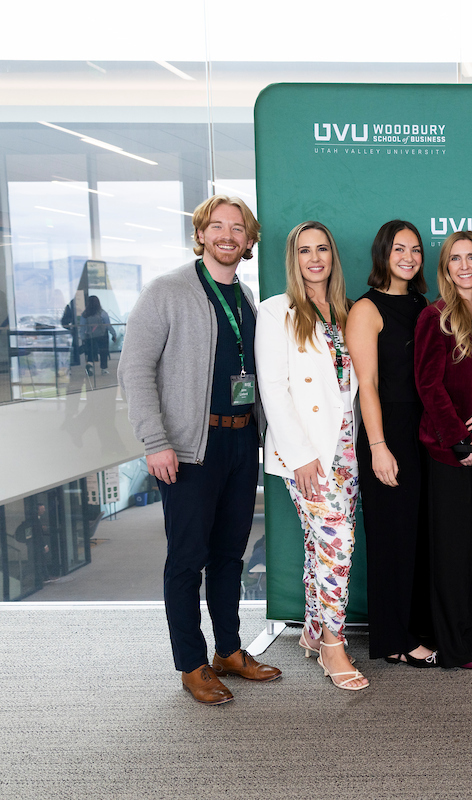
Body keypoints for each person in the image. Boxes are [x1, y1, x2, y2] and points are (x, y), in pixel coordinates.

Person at [119, 195, 281, 705]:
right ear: (202, 233)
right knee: (187, 560)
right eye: (218, 226)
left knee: (229, 555)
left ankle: (229, 651)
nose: (227, 235)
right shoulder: (166, 292)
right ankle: (191, 663)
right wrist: (156, 442)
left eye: (238, 228)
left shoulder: (245, 297)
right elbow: (135, 370)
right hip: (189, 449)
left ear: (249, 240)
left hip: (238, 442)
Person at [257, 220, 367, 691]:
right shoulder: (276, 311)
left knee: (318, 544)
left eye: (323, 248)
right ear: (293, 258)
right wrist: (300, 455)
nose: (315, 258)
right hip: (308, 453)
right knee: (337, 547)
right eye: (305, 251)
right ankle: (333, 644)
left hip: (347, 446)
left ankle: (311, 627)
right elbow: (274, 389)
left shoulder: (347, 311)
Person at [345, 220, 438, 668]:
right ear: (383, 253)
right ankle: (393, 640)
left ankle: (412, 626)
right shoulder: (367, 309)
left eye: (416, 249)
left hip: (423, 431)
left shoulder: (422, 303)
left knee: (415, 536)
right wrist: (379, 446)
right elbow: (368, 384)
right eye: (399, 248)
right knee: (391, 539)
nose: (409, 257)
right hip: (389, 432)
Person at [414, 231, 472, 671]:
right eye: (455, 259)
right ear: (445, 267)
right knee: (452, 553)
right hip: (452, 451)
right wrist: (458, 441)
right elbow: (428, 387)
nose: (464, 266)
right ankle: (454, 646)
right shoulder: (435, 317)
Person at [80, 295, 116, 374]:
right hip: (102, 335)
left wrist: (82, 337)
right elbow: (108, 325)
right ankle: (103, 369)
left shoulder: (85, 314)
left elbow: (82, 327)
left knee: (91, 352)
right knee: (103, 352)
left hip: (90, 336)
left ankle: (90, 366)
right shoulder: (102, 313)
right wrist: (114, 334)